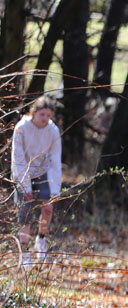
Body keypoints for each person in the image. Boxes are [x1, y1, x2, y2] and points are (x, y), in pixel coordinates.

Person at [11, 96, 62, 266]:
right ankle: (24, 253)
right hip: (23, 172)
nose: (45, 119)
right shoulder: (21, 129)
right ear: (34, 113)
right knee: (25, 214)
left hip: (42, 172)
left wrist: (55, 189)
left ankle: (41, 240)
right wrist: (25, 186)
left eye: (48, 115)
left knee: (47, 207)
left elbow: (55, 160)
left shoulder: (53, 131)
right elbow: (18, 159)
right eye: (42, 115)